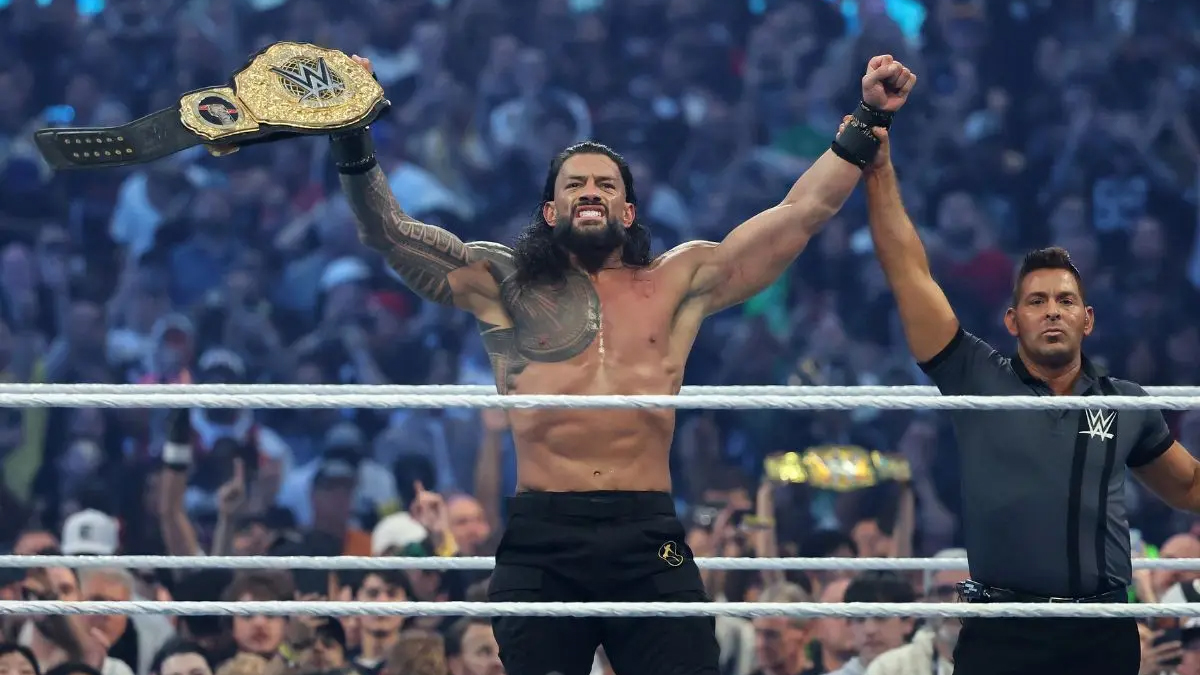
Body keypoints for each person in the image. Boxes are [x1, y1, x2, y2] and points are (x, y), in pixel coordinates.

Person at [332, 52, 916, 675]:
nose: (591, 192)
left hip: (649, 539)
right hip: (542, 540)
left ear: (629, 211)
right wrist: (350, 132)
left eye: (606, 184)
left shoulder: (677, 283)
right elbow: (388, 233)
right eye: (575, 185)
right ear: (551, 212)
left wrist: (867, 116)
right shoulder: (502, 285)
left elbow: (800, 215)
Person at [854, 104, 1200, 674]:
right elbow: (909, 272)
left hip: (1100, 631)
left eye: (1065, 301)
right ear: (1012, 320)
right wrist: (878, 168)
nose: (1052, 312)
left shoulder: (1125, 403)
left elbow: (1188, 485)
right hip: (1002, 633)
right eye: (1036, 302)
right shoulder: (976, 377)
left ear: (1087, 319)